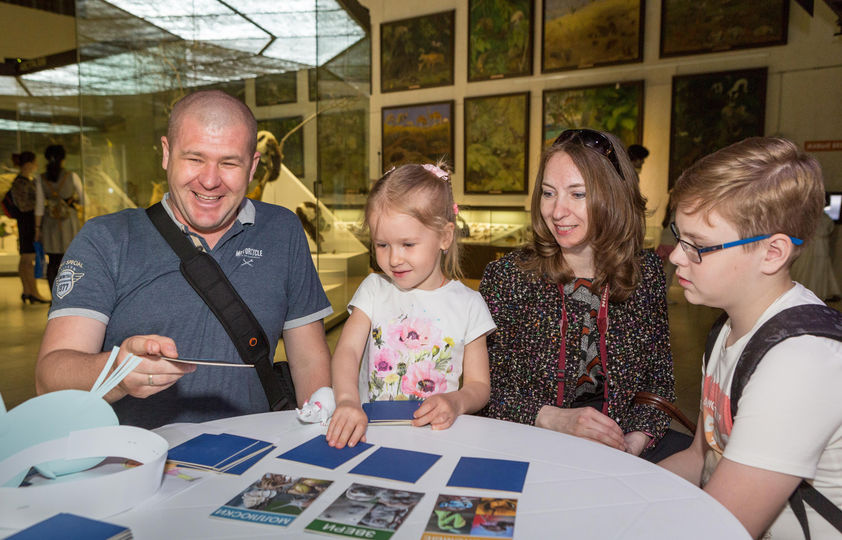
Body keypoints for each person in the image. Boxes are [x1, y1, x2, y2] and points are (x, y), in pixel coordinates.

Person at [35, 90, 332, 429]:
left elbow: (309, 361)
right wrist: (117, 372)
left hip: (255, 457)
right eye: (195, 158)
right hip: (138, 463)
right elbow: (49, 380)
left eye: (229, 163)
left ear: (252, 167)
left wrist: (318, 431)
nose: (209, 180)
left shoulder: (282, 230)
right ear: (166, 154)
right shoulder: (107, 238)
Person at [658, 137, 842, 539]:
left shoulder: (801, 362)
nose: (675, 256)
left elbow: (723, 528)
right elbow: (700, 459)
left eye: (699, 246)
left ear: (773, 253)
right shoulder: (727, 328)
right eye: (679, 236)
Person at [479, 129, 677, 459]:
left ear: (614, 195)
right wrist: (552, 418)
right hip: (529, 450)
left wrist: (633, 443)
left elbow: (658, 382)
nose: (557, 212)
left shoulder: (646, 274)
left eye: (578, 194)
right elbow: (482, 390)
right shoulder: (509, 277)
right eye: (548, 193)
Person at [325, 163, 495, 448]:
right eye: (382, 245)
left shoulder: (469, 304)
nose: (393, 259)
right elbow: (347, 352)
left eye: (407, 244)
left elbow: (479, 385)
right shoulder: (374, 289)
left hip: (438, 438)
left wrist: (456, 402)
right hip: (371, 435)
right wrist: (346, 401)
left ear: (444, 236)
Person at [35, 144, 84, 291]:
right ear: (63, 159)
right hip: (69, 222)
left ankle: (54, 298)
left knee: (53, 262)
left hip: (50, 224)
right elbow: (83, 200)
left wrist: (37, 228)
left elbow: (39, 206)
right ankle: (69, 295)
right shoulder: (72, 176)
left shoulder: (41, 179)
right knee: (71, 261)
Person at [9, 151, 48, 304]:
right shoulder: (21, 182)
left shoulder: (24, 181)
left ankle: (28, 291)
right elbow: (24, 205)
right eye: (35, 162)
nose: (36, 165)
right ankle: (33, 292)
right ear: (28, 164)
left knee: (25, 258)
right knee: (28, 258)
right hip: (28, 223)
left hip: (25, 223)